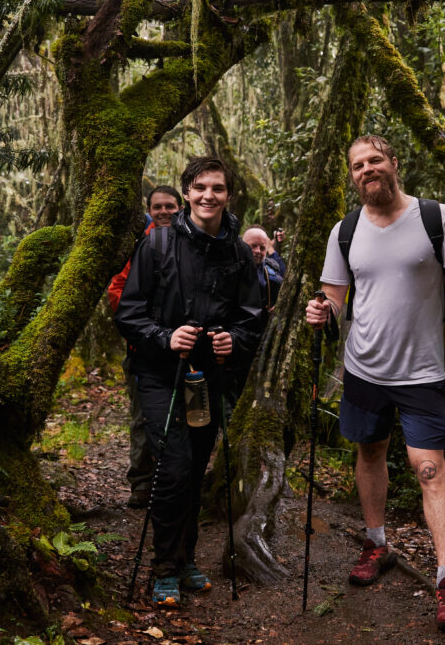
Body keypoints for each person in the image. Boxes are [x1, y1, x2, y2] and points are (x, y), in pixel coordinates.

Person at [305, 135, 445, 633]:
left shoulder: (436, 218)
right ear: (352, 176)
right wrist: (322, 311)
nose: (366, 170)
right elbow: (334, 295)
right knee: (370, 453)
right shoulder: (345, 231)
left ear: (394, 163)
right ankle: (376, 543)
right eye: (358, 165)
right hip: (363, 368)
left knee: (429, 470)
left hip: (422, 372)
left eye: (374, 160)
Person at [115, 157, 263, 609]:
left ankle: (186, 561)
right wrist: (165, 337)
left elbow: (251, 318)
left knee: (196, 469)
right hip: (160, 374)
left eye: (217, 188)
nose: (208, 196)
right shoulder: (157, 243)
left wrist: (233, 340)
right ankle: (163, 568)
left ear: (228, 195)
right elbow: (128, 312)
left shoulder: (238, 252)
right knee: (173, 467)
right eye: (199, 187)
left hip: (208, 377)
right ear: (186, 193)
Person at [106, 186, 183, 508]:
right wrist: (146, 325)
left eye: (170, 206)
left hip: (185, 348)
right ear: (148, 211)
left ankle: (179, 480)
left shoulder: (192, 241)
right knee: (142, 417)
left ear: (181, 208)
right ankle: (141, 481)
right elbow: (117, 290)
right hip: (144, 349)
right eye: (157, 207)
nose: (164, 212)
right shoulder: (139, 244)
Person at [242, 226, 284, 312]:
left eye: (262, 248)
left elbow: (286, 280)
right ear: (242, 245)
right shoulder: (229, 269)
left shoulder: (271, 273)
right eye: (253, 246)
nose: (258, 251)